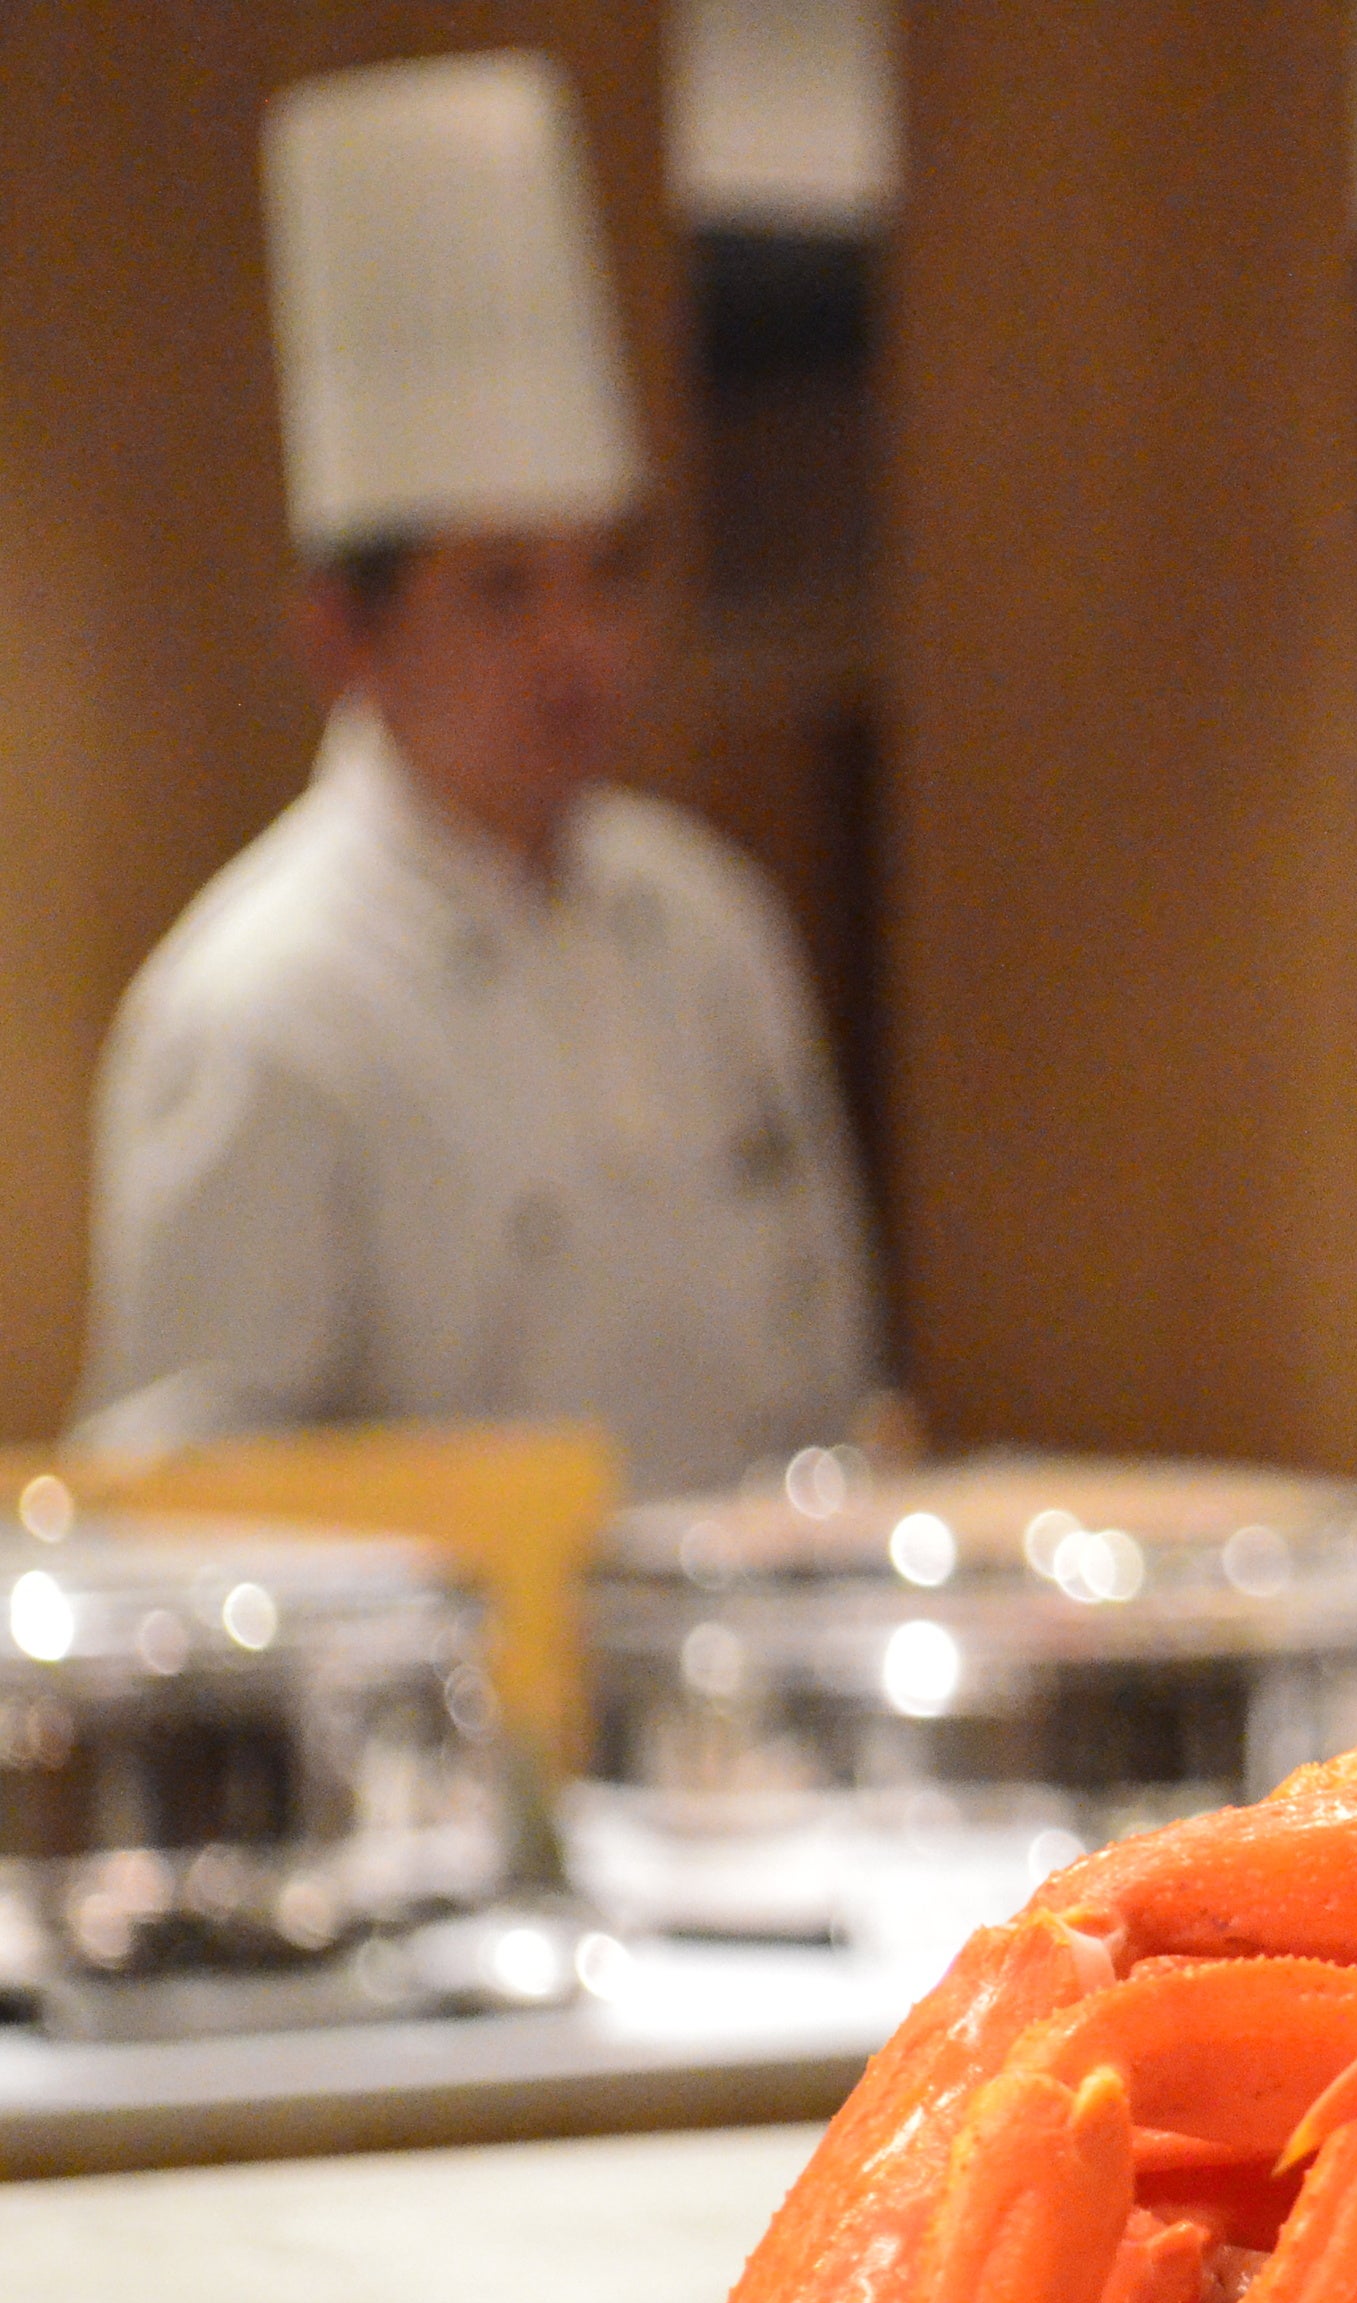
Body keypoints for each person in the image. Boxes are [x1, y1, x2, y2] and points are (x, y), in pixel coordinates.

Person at [75, 50, 877, 1498]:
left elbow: (829, 1396)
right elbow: (182, 1518)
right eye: (503, 590)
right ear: (342, 636)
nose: (580, 650)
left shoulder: (708, 924)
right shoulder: (260, 1003)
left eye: (608, 576)